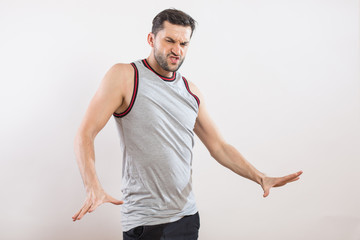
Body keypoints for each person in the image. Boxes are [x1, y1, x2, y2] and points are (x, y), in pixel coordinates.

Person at [72, 8, 303, 240]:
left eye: (184, 43)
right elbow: (85, 133)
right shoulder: (125, 76)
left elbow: (219, 147)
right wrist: (93, 186)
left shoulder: (191, 91)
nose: (177, 50)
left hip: (186, 218)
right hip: (145, 221)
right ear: (151, 39)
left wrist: (260, 177)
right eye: (169, 40)